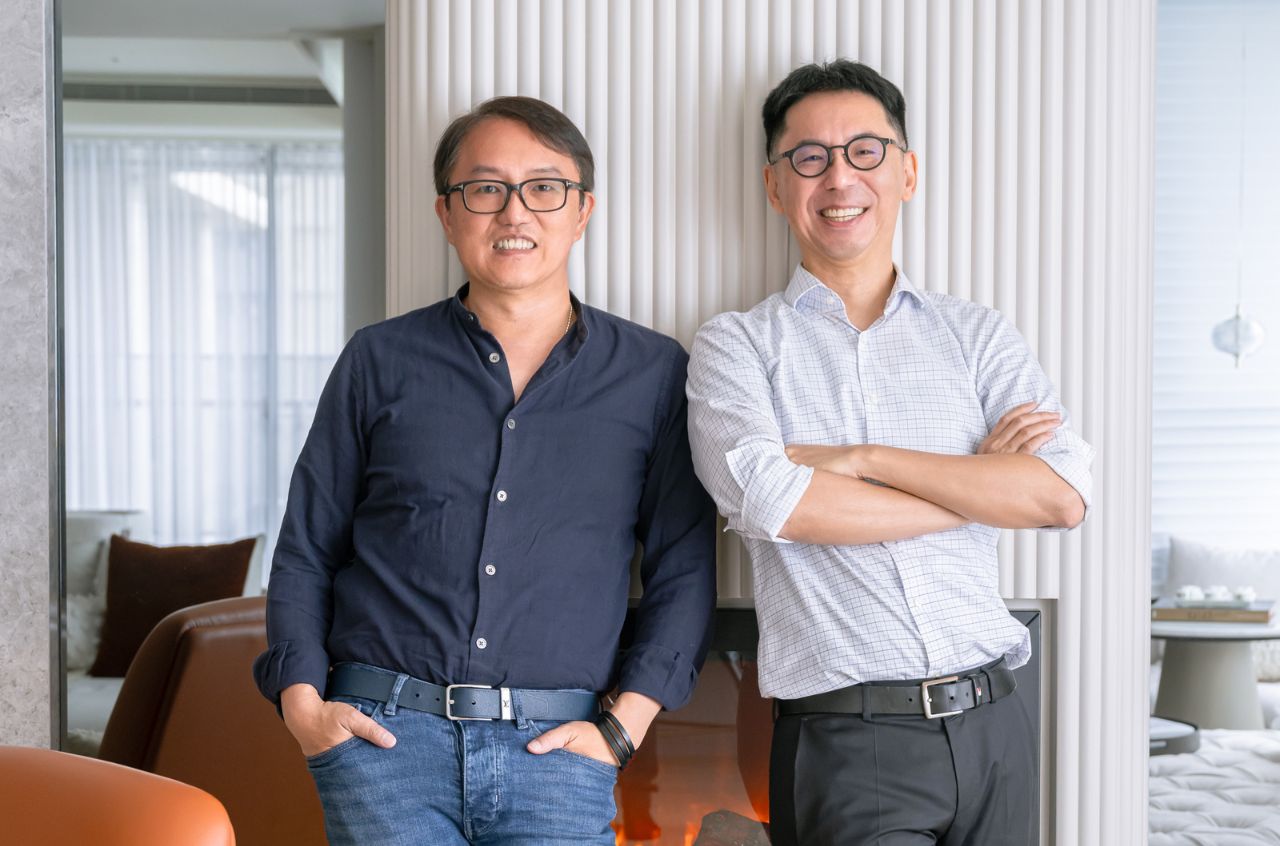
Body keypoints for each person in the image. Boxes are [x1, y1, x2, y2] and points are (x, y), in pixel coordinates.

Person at [254, 95, 716, 846]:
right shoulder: (377, 359)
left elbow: (684, 569)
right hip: (383, 747)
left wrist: (621, 729)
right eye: (485, 189)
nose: (514, 212)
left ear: (583, 210)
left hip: (560, 755)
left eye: (544, 188)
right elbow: (307, 548)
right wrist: (303, 706)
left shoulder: (654, 373)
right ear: (446, 212)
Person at [686, 60, 1094, 845]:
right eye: (810, 157)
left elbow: (1061, 495)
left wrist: (863, 458)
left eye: (865, 151)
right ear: (775, 186)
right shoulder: (736, 346)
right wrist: (977, 485)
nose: (839, 178)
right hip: (851, 744)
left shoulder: (977, 334)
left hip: (997, 727)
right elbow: (778, 503)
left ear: (907, 172)